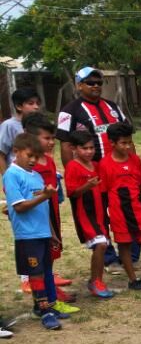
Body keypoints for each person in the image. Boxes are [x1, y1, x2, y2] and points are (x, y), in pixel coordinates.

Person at [55, 66, 137, 272]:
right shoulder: (68, 111)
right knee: (99, 216)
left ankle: (132, 254)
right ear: (79, 85)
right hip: (92, 174)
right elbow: (64, 143)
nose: (95, 86)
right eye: (90, 82)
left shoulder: (113, 107)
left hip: (118, 172)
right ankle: (109, 258)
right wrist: (74, 172)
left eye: (99, 82)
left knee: (128, 209)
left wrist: (133, 163)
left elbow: (128, 137)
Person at [96, 121, 141, 291]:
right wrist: (105, 217)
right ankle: (133, 279)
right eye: (123, 143)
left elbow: (140, 185)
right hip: (119, 213)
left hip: (139, 210)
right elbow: (104, 193)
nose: (128, 146)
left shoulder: (135, 160)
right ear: (112, 143)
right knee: (125, 245)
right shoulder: (104, 165)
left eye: (129, 142)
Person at [4, 133, 63, 329]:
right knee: (35, 274)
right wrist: (44, 196)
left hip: (43, 233)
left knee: (44, 271)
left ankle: (42, 306)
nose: (32, 160)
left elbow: (43, 208)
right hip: (27, 235)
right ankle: (45, 312)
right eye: (29, 155)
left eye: (36, 157)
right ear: (16, 152)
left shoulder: (36, 176)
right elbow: (19, 207)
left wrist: (52, 233)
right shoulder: (11, 175)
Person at [25, 114, 77, 307]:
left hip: (52, 215)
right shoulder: (27, 167)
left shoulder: (49, 161)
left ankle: (50, 289)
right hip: (37, 220)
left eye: (52, 138)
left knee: (51, 255)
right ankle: (44, 298)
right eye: (46, 138)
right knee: (39, 260)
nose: (51, 142)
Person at [64, 130, 113, 298]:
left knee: (103, 245)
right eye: (84, 148)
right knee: (100, 244)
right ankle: (95, 281)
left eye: (91, 148)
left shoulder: (97, 165)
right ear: (74, 149)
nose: (89, 151)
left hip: (100, 214)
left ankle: (97, 280)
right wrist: (87, 186)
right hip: (86, 215)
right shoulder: (72, 166)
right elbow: (72, 193)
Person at [0, 86, 40, 173]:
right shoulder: (9, 125)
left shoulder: (39, 125)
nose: (36, 107)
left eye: (37, 103)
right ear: (19, 106)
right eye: (31, 103)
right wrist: (6, 178)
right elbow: (1, 155)